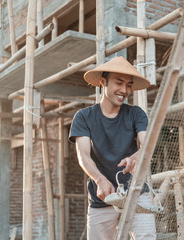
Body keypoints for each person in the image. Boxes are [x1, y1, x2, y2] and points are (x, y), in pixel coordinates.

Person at [69, 56, 156, 240]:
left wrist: (136, 156)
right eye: (119, 83)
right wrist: (99, 179)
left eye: (129, 85)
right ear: (103, 82)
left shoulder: (136, 114)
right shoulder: (84, 117)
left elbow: (148, 144)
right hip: (103, 197)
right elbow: (83, 154)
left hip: (137, 193)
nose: (124, 90)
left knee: (147, 237)